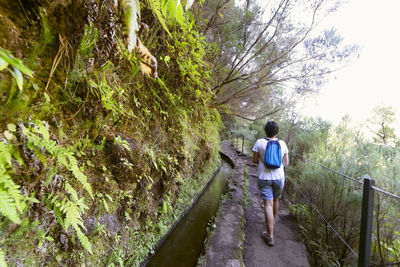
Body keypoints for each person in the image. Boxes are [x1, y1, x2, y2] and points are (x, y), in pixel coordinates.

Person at [252, 121, 289, 246]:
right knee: (276, 200)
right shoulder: (282, 143)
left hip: (264, 177)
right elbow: (286, 163)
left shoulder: (259, 142)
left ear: (265, 130)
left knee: (268, 204)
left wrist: (264, 161)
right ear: (276, 131)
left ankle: (270, 235)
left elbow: (254, 160)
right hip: (279, 177)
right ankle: (272, 223)